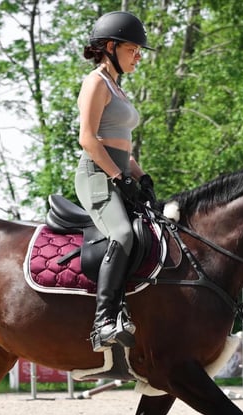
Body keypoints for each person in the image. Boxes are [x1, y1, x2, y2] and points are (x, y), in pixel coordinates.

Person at [74, 11, 156, 353]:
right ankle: (103, 322)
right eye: (133, 50)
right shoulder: (95, 82)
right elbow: (88, 140)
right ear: (110, 46)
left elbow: (123, 146)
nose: (138, 57)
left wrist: (140, 176)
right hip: (96, 176)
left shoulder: (118, 90)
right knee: (122, 234)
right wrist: (118, 177)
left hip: (117, 174)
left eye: (140, 51)